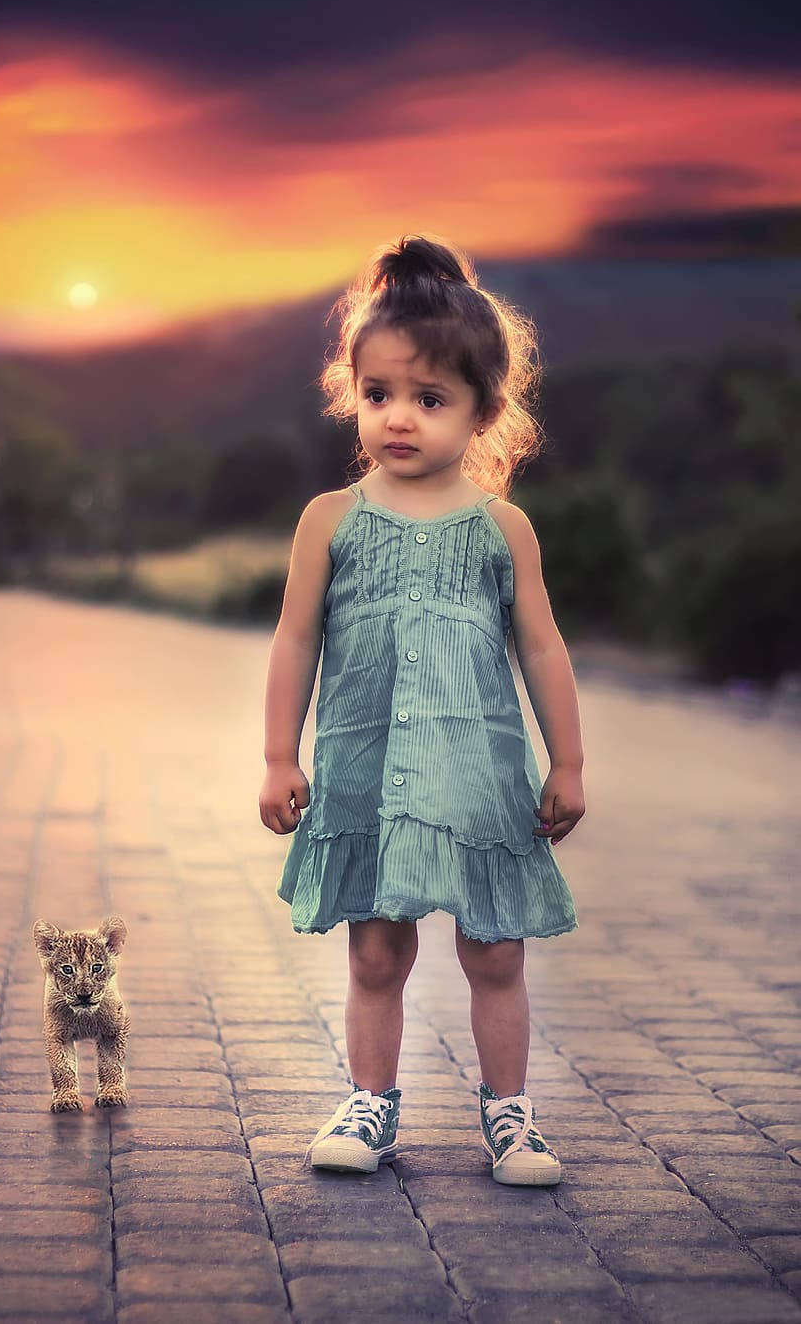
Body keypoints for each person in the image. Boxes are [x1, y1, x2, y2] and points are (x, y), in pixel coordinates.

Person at [259, 233, 585, 1188]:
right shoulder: (329, 518)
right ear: (352, 393)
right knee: (375, 949)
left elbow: (542, 647)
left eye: (429, 399)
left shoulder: (502, 527)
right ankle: (371, 1103)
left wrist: (566, 762)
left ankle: (511, 1118)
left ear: (484, 409)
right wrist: (281, 755)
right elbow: (294, 641)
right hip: (366, 766)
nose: (399, 418)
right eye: (378, 395)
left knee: (493, 948)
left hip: (479, 773)